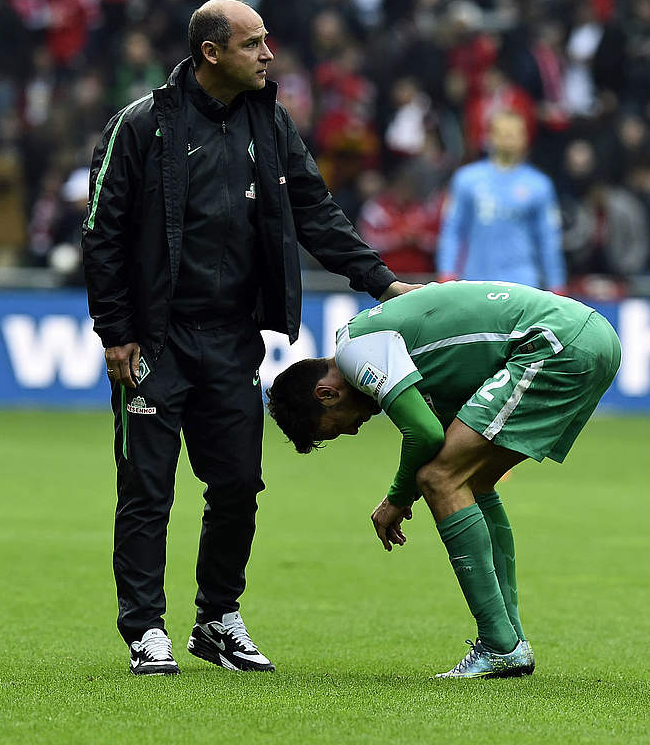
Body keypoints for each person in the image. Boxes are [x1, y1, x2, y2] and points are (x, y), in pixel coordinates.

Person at [81, 0, 416, 676]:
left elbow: (314, 210)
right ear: (212, 53)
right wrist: (115, 332)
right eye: (254, 44)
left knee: (238, 484)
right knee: (148, 489)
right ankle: (145, 629)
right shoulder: (143, 126)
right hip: (156, 341)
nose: (269, 54)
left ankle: (217, 619)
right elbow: (101, 230)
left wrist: (380, 282)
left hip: (231, 339)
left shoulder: (270, 123)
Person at [265, 281, 621, 678]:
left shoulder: (354, 350)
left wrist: (396, 498)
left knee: (439, 478)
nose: (353, 431)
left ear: (327, 394)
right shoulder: (396, 354)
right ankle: (509, 639)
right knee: (472, 481)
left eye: (333, 429)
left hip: (551, 344)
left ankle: (499, 646)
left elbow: (425, 435)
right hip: (587, 334)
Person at [437, 111, 566, 292]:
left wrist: (556, 284)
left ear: (524, 139)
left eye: (514, 133)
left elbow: (548, 239)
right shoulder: (466, 179)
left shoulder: (539, 185)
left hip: (523, 284)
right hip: (475, 282)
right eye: (502, 133)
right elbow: (453, 230)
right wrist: (446, 272)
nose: (508, 138)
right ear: (490, 137)